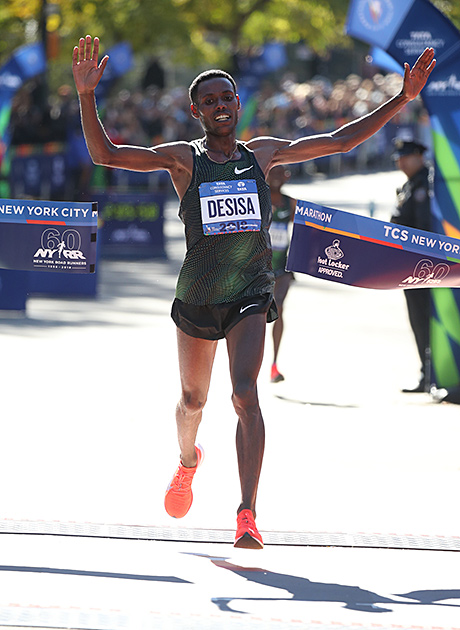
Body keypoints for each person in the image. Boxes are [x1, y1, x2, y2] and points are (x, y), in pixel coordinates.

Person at [72, 36, 435, 549]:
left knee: (245, 393)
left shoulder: (261, 155)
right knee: (193, 400)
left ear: (239, 106)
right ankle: (188, 460)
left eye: (228, 98)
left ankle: (247, 512)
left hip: (250, 289)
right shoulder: (183, 160)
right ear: (197, 112)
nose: (221, 106)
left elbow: (337, 142)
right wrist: (87, 96)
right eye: (211, 101)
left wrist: (401, 99)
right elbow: (104, 154)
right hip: (198, 292)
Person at [391, 138, 433, 393]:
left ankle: (433, 373)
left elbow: (424, 228)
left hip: (425, 267)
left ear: (419, 155)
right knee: (417, 321)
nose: (401, 161)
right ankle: (426, 373)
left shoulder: (426, 185)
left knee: (426, 320)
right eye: (399, 157)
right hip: (409, 267)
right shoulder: (410, 184)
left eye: (406, 156)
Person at [267, 165, 296, 383]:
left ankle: (274, 364)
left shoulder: (290, 203)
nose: (277, 178)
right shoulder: (259, 200)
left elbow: (310, 228)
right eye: (273, 174)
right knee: (257, 315)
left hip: (283, 268)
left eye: (281, 173)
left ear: (287, 176)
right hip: (259, 267)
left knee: (278, 308)